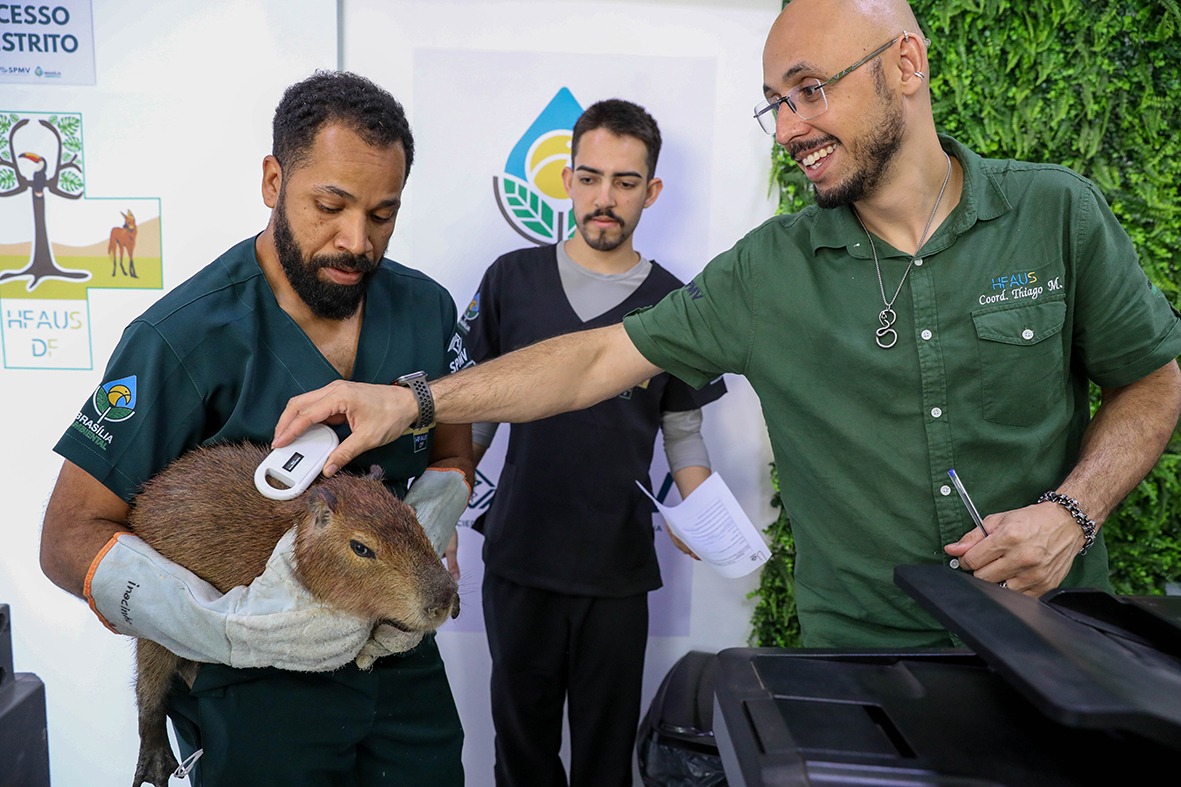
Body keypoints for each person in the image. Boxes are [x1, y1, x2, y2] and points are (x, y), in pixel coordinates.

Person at [273, 0, 1181, 650]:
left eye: (810, 90)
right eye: (775, 102)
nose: (788, 126)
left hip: (1056, 642)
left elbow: (1154, 375)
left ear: (906, 65)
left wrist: (1074, 510)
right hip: (863, 661)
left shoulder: (1055, 214)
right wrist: (413, 401)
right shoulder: (767, 268)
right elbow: (594, 361)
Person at [40, 71, 471, 785]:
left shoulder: (425, 307)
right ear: (273, 180)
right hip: (252, 688)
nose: (356, 240)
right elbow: (67, 536)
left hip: (398, 661)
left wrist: (428, 527)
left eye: (382, 213)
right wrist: (224, 628)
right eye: (328, 205)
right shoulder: (181, 337)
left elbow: (453, 451)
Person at [460, 98, 725, 787]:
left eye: (625, 182)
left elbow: (683, 432)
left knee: (605, 759)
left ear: (651, 191)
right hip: (519, 558)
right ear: (567, 179)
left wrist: (703, 516)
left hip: (615, 570)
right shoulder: (509, 281)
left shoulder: (676, 305)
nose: (603, 199)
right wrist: (434, 516)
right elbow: (476, 421)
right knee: (521, 751)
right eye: (589, 177)